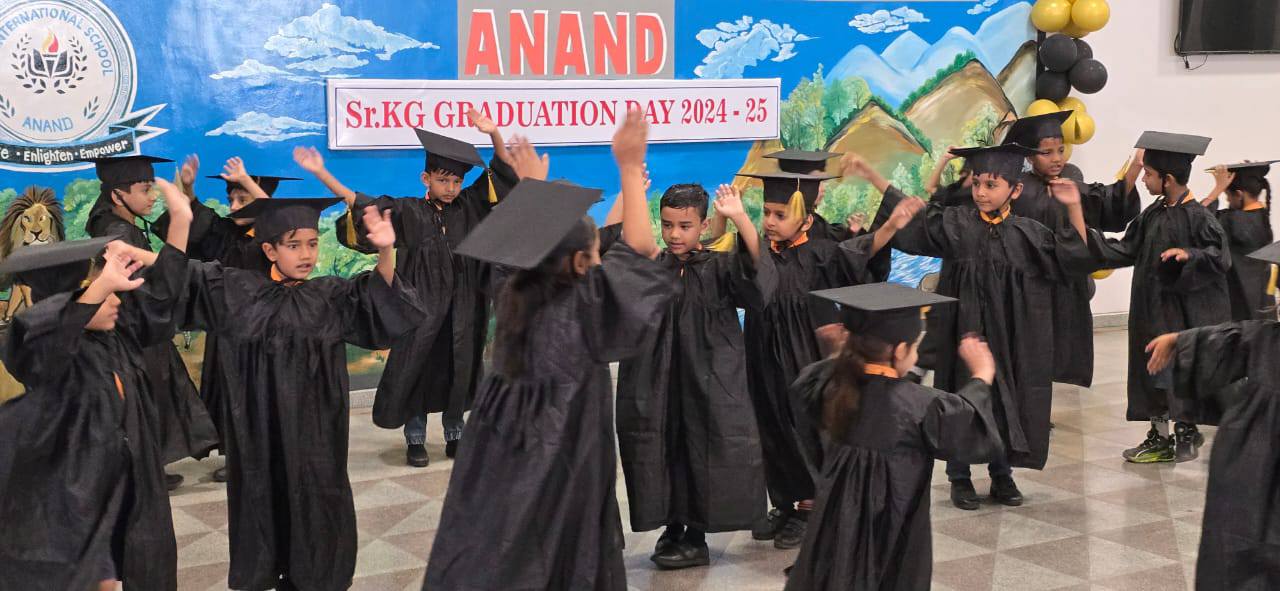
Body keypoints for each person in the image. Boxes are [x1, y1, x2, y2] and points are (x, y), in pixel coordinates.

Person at [424, 110, 669, 590]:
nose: (599, 259)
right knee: (563, 555)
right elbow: (642, 250)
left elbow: (528, 244)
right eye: (594, 252)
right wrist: (627, 164)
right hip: (566, 465)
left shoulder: (513, 295)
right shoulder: (586, 309)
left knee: (509, 549)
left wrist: (530, 188)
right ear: (579, 263)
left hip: (503, 469)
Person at [175, 195, 425, 591]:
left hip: (316, 429)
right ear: (270, 251)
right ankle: (269, 571)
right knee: (263, 494)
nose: (306, 254)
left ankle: (315, 576)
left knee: (317, 496)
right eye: (294, 245)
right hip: (260, 428)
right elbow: (180, 278)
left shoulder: (330, 296)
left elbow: (380, 295)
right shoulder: (238, 291)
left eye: (312, 243)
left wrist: (385, 251)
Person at [852, 143, 1098, 510]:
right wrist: (872, 176)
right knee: (961, 397)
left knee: (1005, 399)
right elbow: (911, 216)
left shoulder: (1029, 234)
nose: (981, 192)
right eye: (978, 183)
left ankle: (1002, 472)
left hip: (1009, 335)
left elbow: (1074, 256)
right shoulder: (957, 224)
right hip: (962, 333)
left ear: (1015, 190)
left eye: (992, 185)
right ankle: (959, 476)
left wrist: (1074, 205)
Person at [294, 109, 521, 467]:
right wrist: (322, 173)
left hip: (465, 307)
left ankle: (455, 431)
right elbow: (363, 204)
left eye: (456, 181)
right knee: (417, 367)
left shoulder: (470, 206)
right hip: (421, 309)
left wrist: (493, 133)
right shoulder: (409, 212)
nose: (451, 188)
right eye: (443, 180)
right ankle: (415, 436)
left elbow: (502, 172)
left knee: (460, 367)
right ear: (425, 178)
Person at [0, 179, 194, 590]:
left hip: (135, 484)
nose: (116, 300)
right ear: (64, 303)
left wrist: (180, 221)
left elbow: (163, 297)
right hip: (78, 493)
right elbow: (48, 337)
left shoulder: (116, 336)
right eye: (104, 293)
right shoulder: (44, 350)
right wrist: (98, 286)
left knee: (147, 564)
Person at [735, 163, 913, 550]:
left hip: (802, 349)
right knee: (769, 420)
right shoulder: (762, 252)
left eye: (780, 215)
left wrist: (889, 226)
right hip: (762, 349)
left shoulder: (820, 253)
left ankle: (810, 504)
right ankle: (784, 501)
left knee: (802, 423)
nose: (770, 222)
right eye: (766, 213)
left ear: (805, 219)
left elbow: (860, 254)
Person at [784, 283, 1003, 591]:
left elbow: (809, 385)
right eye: (914, 348)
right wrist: (981, 375)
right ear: (901, 351)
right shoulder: (920, 405)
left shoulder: (830, 385)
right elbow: (968, 428)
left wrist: (840, 352)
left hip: (835, 518)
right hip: (892, 521)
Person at [610, 181, 773, 570]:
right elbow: (614, 259)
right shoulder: (655, 267)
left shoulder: (720, 268)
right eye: (667, 225)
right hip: (659, 379)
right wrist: (626, 193)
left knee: (703, 449)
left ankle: (696, 535)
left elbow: (760, 280)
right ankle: (672, 527)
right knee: (662, 446)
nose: (674, 234)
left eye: (685, 226)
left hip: (708, 377)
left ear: (703, 225)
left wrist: (740, 219)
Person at [1088, 131, 1231, 464]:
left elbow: (1220, 257)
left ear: (1167, 179)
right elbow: (1127, 248)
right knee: (1150, 373)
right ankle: (1160, 436)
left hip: (1179, 314)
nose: (1144, 180)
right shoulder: (1153, 212)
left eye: (1149, 174)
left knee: (1175, 373)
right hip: (1149, 309)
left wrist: (1191, 255)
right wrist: (1087, 240)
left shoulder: (1199, 217)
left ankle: (1184, 431)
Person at [152, 155, 295, 483]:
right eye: (231, 198)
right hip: (227, 330)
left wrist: (245, 180)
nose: (234, 205)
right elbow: (195, 223)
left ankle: (268, 454)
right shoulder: (226, 232)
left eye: (242, 199)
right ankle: (239, 456)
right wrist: (188, 189)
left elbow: (274, 214)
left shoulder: (274, 239)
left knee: (264, 393)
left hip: (264, 331)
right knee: (231, 395)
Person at [1145, 243, 1280, 589]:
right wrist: (1179, 339)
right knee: (1244, 552)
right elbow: (1227, 338)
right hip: (1253, 470)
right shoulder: (1267, 338)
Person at [84, 154, 217, 490]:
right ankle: (143, 468)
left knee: (152, 399)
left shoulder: (116, 224)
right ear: (118, 195)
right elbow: (148, 283)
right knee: (144, 400)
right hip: (134, 333)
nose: (153, 196)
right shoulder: (116, 231)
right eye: (145, 189)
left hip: (136, 332)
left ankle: (149, 464)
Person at [1003, 112, 1145, 388]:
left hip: (1065, 284)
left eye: (1060, 150)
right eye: (1047, 153)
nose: (1057, 158)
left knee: (1059, 348)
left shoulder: (1070, 186)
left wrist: (1134, 170)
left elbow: (1109, 201)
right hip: (1029, 282)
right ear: (1030, 156)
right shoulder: (1018, 191)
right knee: (1025, 351)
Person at [1202, 160, 1276, 320]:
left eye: (1228, 197)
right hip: (1265, 308)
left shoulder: (1233, 221)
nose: (1228, 202)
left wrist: (1217, 188)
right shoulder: (1263, 217)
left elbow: (1197, 221)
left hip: (1241, 310)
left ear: (1239, 194)